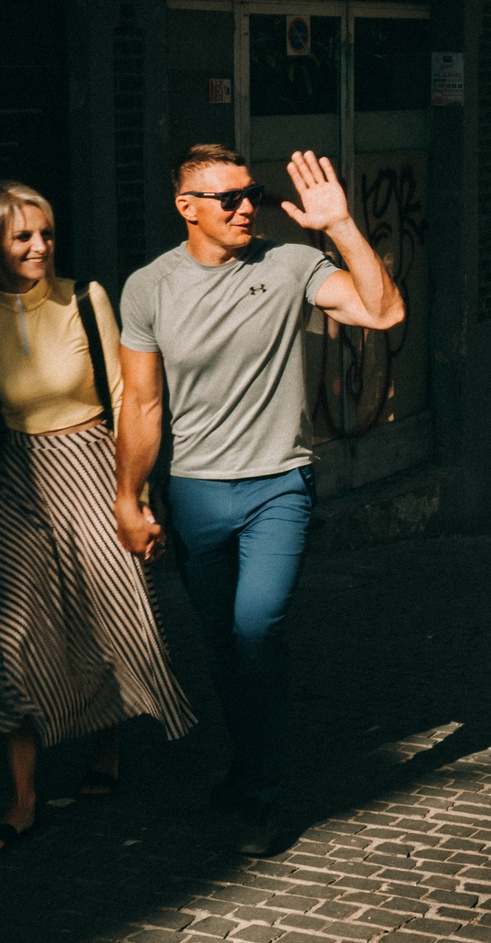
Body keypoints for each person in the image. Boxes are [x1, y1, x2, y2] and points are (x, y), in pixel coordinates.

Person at [113, 145, 405, 857]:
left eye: (253, 194)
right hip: (195, 493)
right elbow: (143, 405)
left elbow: (384, 311)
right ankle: (249, 766)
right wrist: (128, 496)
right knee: (221, 646)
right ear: (186, 207)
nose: (248, 207)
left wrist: (340, 225)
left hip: (279, 485)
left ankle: (264, 797)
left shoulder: (290, 264)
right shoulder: (148, 288)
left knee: (256, 631)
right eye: (230, 198)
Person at [0, 181, 193, 852]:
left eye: (47, 233)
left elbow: (125, 396)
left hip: (95, 470)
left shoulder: (86, 299)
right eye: (22, 236)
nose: (40, 246)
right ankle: (22, 800)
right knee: (15, 642)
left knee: (103, 619)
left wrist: (136, 497)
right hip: (23, 488)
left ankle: (106, 747)